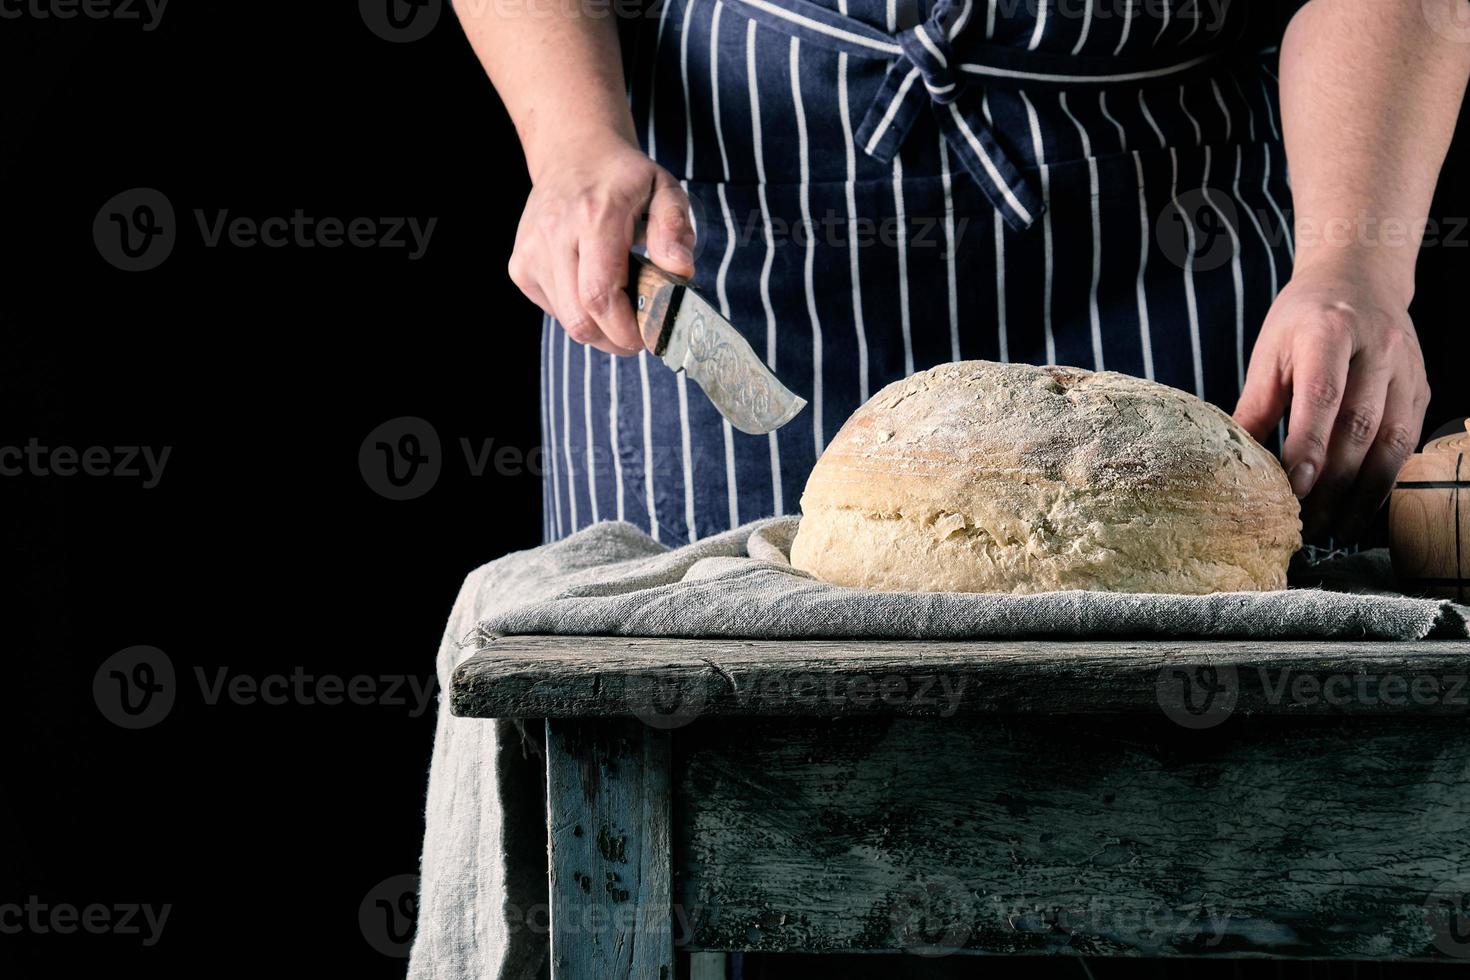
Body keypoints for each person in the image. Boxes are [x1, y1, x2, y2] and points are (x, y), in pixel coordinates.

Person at [416, 0, 1470, 975]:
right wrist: (569, 140)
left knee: (1201, 844)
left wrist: (1355, 263)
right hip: (727, 248)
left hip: (1161, 253)